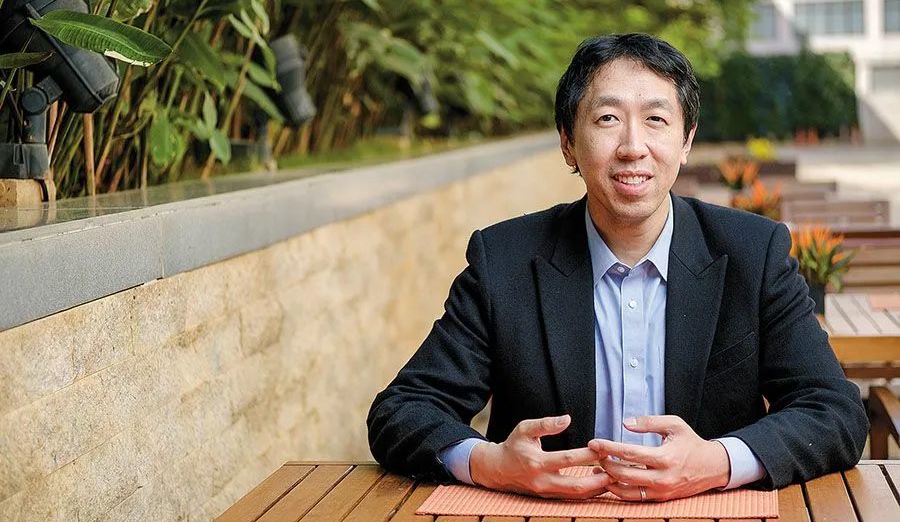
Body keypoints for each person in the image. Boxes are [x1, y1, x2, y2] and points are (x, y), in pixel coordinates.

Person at [367, 33, 868, 501]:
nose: (633, 147)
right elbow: (403, 410)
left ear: (686, 141)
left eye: (656, 120)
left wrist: (717, 462)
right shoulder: (505, 260)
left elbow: (834, 410)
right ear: (568, 142)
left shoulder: (752, 254)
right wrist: (489, 463)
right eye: (607, 118)